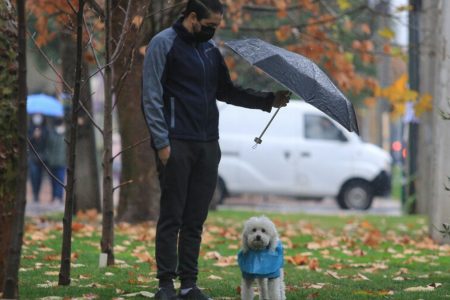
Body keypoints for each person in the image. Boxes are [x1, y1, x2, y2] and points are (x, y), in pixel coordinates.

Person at [142, 0, 290, 299]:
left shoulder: (210, 51)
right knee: (172, 216)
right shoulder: (163, 44)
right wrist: (162, 143)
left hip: (208, 144)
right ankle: (165, 285)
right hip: (175, 142)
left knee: (195, 219)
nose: (212, 32)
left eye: (217, 27)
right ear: (193, 17)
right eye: (209, 26)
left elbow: (227, 91)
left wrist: (268, 100)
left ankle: (188, 285)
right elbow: (151, 95)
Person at [28, 113, 48, 204]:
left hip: (42, 157)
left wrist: (41, 136)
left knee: (39, 177)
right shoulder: (30, 128)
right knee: (33, 175)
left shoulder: (45, 129)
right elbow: (28, 141)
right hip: (32, 157)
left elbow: (47, 142)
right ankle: (35, 193)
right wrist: (33, 136)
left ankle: (37, 193)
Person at [46, 117, 67, 205]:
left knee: (61, 179)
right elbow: (48, 148)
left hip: (62, 162)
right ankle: (54, 196)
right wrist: (49, 159)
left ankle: (59, 197)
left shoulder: (66, 135)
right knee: (53, 181)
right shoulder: (51, 135)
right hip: (52, 162)